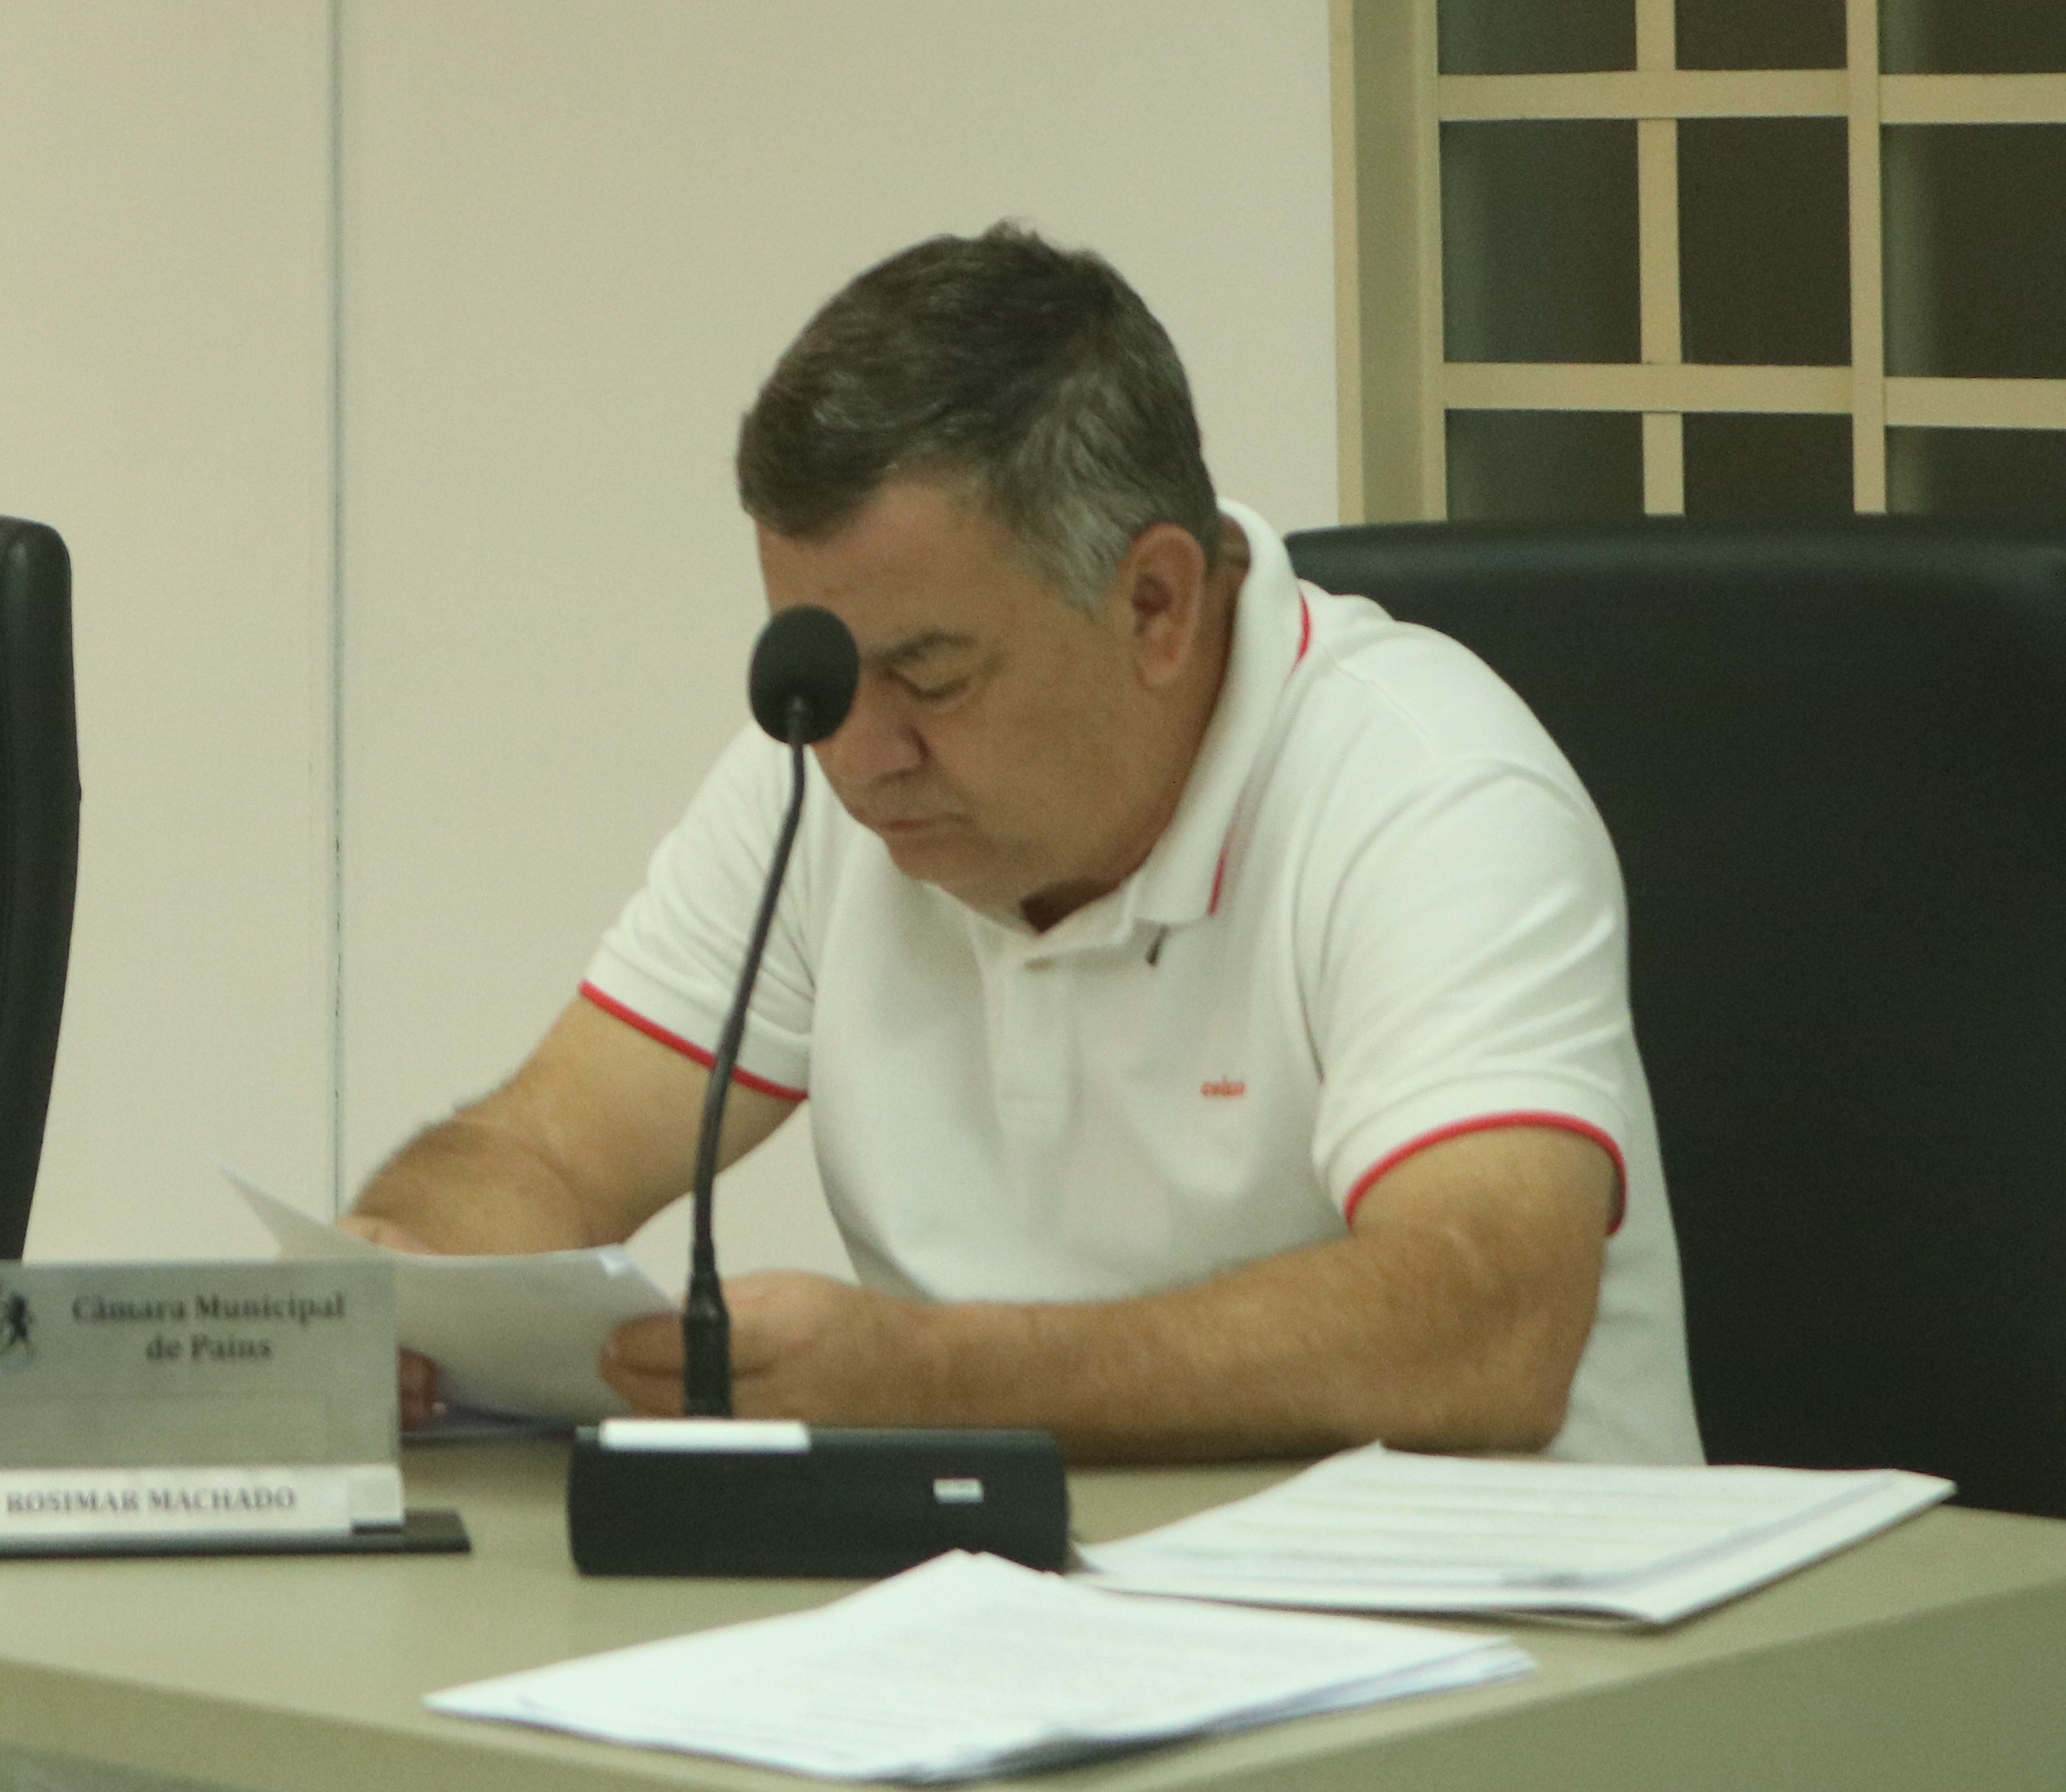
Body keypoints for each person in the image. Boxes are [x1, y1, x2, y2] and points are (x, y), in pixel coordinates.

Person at [351, 225, 1697, 1463]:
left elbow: (1484, 1332)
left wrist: (935, 1382)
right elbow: (548, 1152)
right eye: (828, 674)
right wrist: (408, 1282)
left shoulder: (1428, 791)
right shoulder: (823, 774)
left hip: (1483, 1623)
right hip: (1018, 1607)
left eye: (934, 676)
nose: (861, 753)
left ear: (1155, 604)